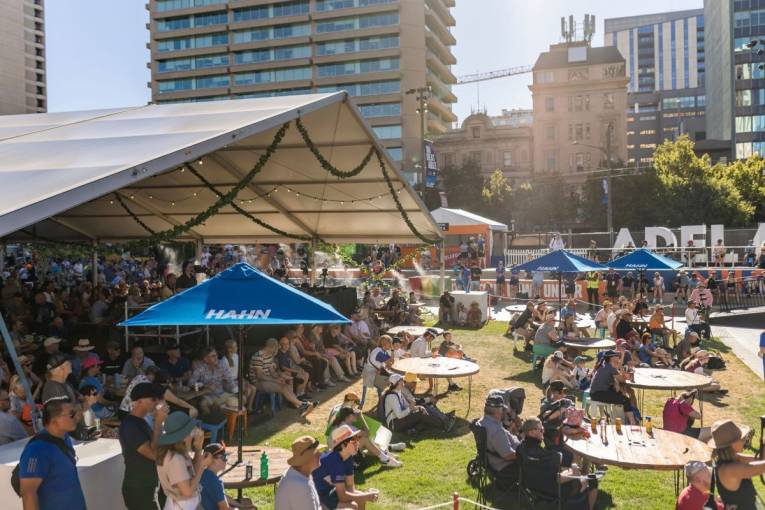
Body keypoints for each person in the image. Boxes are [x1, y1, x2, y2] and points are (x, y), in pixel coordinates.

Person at [516, 417, 598, 510]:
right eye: (541, 429)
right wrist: (574, 466)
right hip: (554, 492)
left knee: (569, 470)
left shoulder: (520, 449)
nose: (544, 431)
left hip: (531, 488)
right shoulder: (550, 456)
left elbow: (547, 472)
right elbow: (558, 478)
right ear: (531, 432)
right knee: (592, 479)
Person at [18, 398, 86, 510]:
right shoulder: (36, 450)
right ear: (54, 420)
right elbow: (28, 493)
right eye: (71, 414)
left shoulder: (65, 438)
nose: (76, 417)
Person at [119, 382, 168, 510]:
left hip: (149, 486)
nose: (156, 402)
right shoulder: (130, 425)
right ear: (139, 401)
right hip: (139, 489)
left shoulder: (141, 422)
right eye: (153, 399)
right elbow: (153, 455)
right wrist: (158, 424)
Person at [312, 425, 380, 509]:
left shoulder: (348, 457)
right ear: (343, 445)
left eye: (357, 439)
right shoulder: (335, 460)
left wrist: (364, 496)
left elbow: (350, 486)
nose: (358, 443)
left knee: (360, 500)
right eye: (353, 440)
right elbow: (342, 496)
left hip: (332, 489)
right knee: (353, 505)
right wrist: (366, 496)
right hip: (320, 495)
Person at [156, 412, 213, 509]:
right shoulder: (175, 459)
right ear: (184, 435)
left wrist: (198, 448)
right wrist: (202, 467)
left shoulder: (179, 452)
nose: (194, 431)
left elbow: (192, 473)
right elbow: (187, 492)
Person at [250, 339, 314, 416]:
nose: (276, 351)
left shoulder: (269, 355)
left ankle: (298, 404)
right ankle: (301, 404)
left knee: (285, 384)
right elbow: (259, 376)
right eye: (276, 348)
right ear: (272, 347)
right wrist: (275, 380)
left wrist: (279, 377)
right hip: (258, 382)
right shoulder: (258, 356)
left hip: (267, 380)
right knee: (282, 387)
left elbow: (272, 372)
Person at [710, 419, 765, 509]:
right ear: (731, 444)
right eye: (742, 438)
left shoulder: (734, 457)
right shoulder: (730, 470)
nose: (744, 441)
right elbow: (761, 468)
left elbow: (761, 459)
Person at [475, 395, 520, 489]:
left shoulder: (481, 422)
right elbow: (508, 455)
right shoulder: (496, 431)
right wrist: (524, 453)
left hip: (490, 461)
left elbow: (506, 435)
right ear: (497, 412)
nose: (504, 412)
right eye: (503, 409)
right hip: (504, 467)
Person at [275, 436, 323, 510]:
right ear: (307, 458)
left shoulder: (302, 475)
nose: (320, 454)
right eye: (317, 451)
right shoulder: (299, 487)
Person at [589, 350, 637, 424]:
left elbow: (615, 380)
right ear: (611, 358)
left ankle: (624, 420)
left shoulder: (605, 365)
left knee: (621, 395)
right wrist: (621, 368)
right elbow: (622, 380)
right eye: (616, 356)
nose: (618, 357)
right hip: (598, 394)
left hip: (596, 392)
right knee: (625, 400)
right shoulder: (610, 367)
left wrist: (616, 382)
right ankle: (632, 422)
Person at [200, 442, 250, 510]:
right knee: (250, 505)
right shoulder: (214, 481)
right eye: (223, 457)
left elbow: (222, 497)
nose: (226, 460)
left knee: (246, 502)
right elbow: (225, 508)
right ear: (211, 459)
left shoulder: (202, 474)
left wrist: (240, 506)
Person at [190, 346, 238, 415]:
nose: (216, 358)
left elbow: (230, 379)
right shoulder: (200, 368)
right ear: (205, 359)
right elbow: (190, 383)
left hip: (221, 394)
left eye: (216, 355)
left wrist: (235, 389)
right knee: (202, 404)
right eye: (213, 356)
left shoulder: (222, 365)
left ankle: (221, 420)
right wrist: (204, 385)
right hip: (208, 396)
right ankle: (209, 421)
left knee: (234, 403)